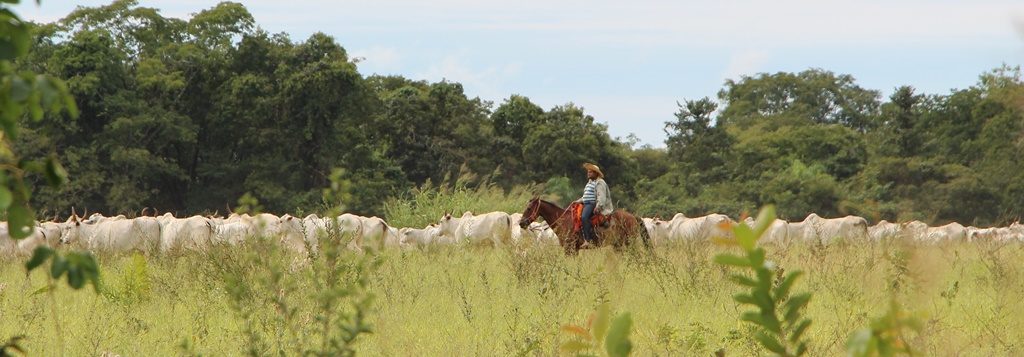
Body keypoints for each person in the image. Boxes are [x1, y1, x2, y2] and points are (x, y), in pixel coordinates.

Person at [575, 162, 614, 244]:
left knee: (584, 217)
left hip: (591, 204)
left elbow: (601, 197)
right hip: (586, 203)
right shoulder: (590, 182)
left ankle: (588, 240)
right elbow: (585, 196)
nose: (588, 173)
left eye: (590, 172)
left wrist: (598, 207)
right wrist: (577, 201)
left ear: (596, 173)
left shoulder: (600, 182)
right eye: (588, 172)